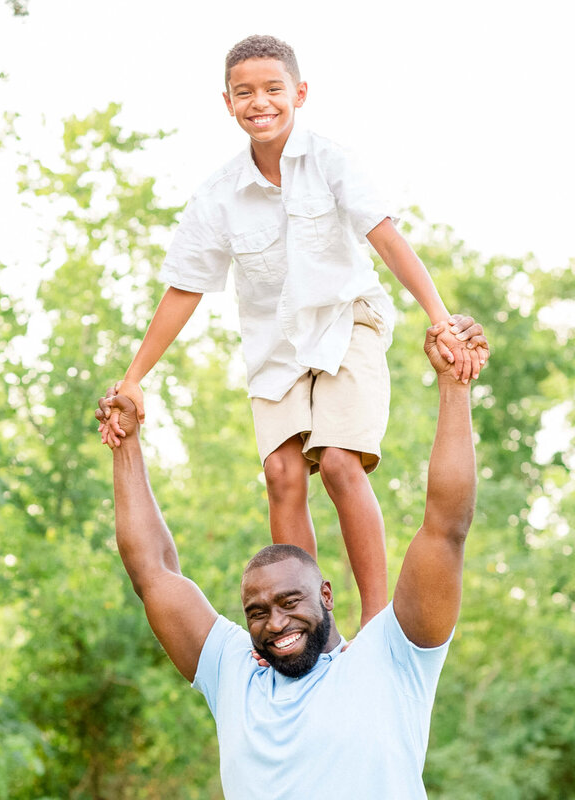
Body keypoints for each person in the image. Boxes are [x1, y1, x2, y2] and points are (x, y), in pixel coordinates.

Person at [101, 34, 488, 627]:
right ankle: (310, 624)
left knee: (336, 461)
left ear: (299, 93)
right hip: (275, 344)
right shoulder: (218, 196)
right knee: (282, 473)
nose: (260, 102)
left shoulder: (332, 162)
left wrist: (439, 316)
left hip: (346, 321)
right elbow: (184, 288)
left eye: (273, 89)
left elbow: (385, 237)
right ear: (226, 102)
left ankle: (375, 617)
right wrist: (133, 377)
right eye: (244, 93)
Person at [95, 319, 485, 799]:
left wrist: (454, 386)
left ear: (325, 594)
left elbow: (445, 527)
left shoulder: (392, 657)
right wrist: (126, 443)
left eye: (287, 601)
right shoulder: (234, 674)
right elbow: (152, 572)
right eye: (256, 612)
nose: (275, 622)